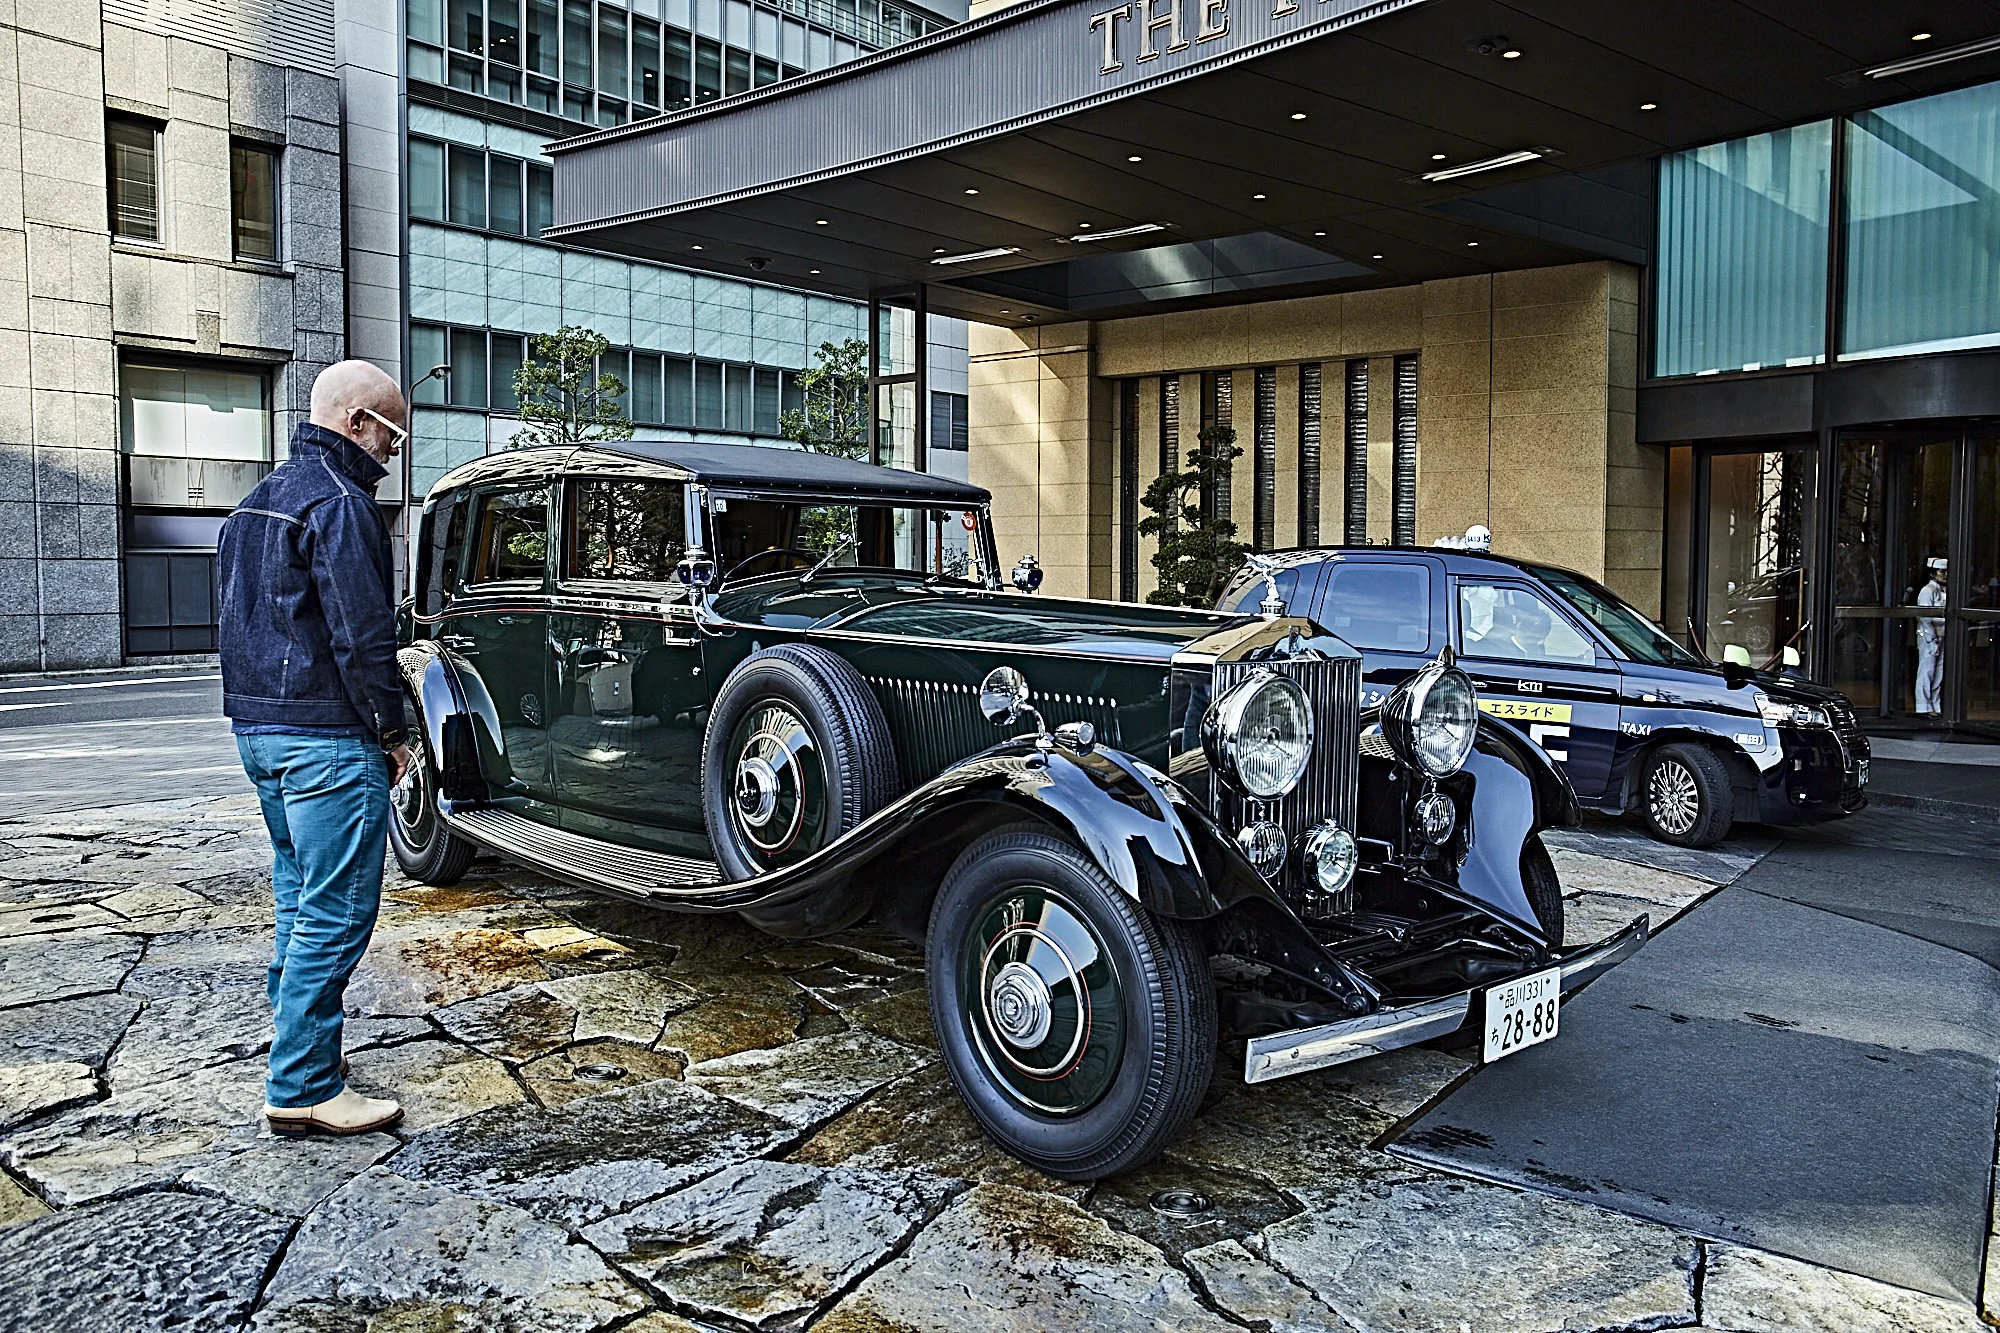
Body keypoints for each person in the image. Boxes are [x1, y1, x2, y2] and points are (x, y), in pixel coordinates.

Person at [217, 360, 413, 1136]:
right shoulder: (341, 505)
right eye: (391, 436)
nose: (393, 454)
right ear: (357, 422)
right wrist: (393, 733)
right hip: (327, 738)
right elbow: (365, 637)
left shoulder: (253, 505)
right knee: (337, 910)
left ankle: (297, 1050)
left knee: (299, 897)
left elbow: (235, 628)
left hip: (260, 733)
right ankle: (301, 1082)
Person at [1916, 557, 1947, 716]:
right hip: (1930, 636)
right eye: (1942, 571)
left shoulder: (1942, 590)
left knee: (1938, 673)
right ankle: (1923, 707)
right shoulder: (1927, 591)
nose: (1945, 574)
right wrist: (1931, 639)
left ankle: (1935, 706)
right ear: (1933, 573)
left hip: (1942, 635)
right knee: (1927, 671)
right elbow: (1925, 618)